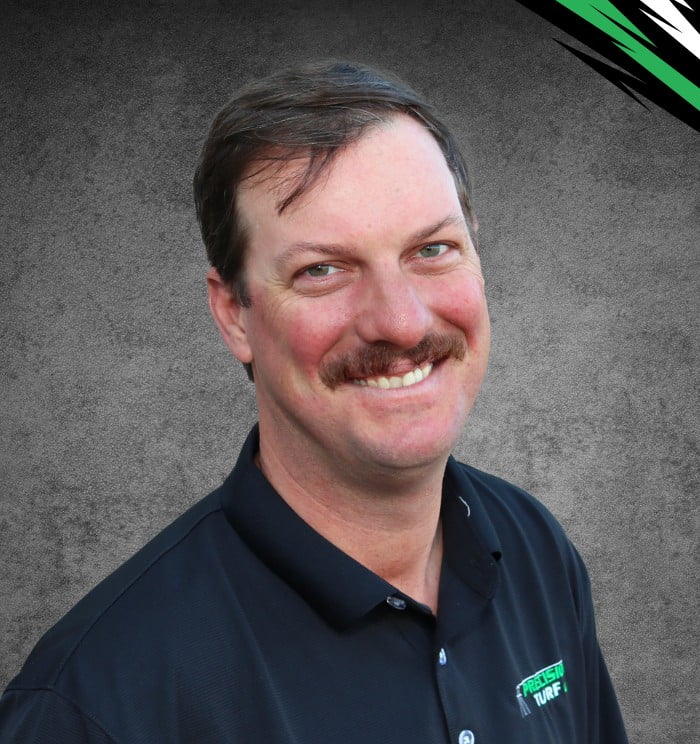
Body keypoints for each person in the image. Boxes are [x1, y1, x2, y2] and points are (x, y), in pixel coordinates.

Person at [0, 61, 628, 743]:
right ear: (234, 314)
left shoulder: (535, 548)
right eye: (322, 270)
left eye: (433, 249)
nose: (403, 322)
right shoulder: (97, 702)